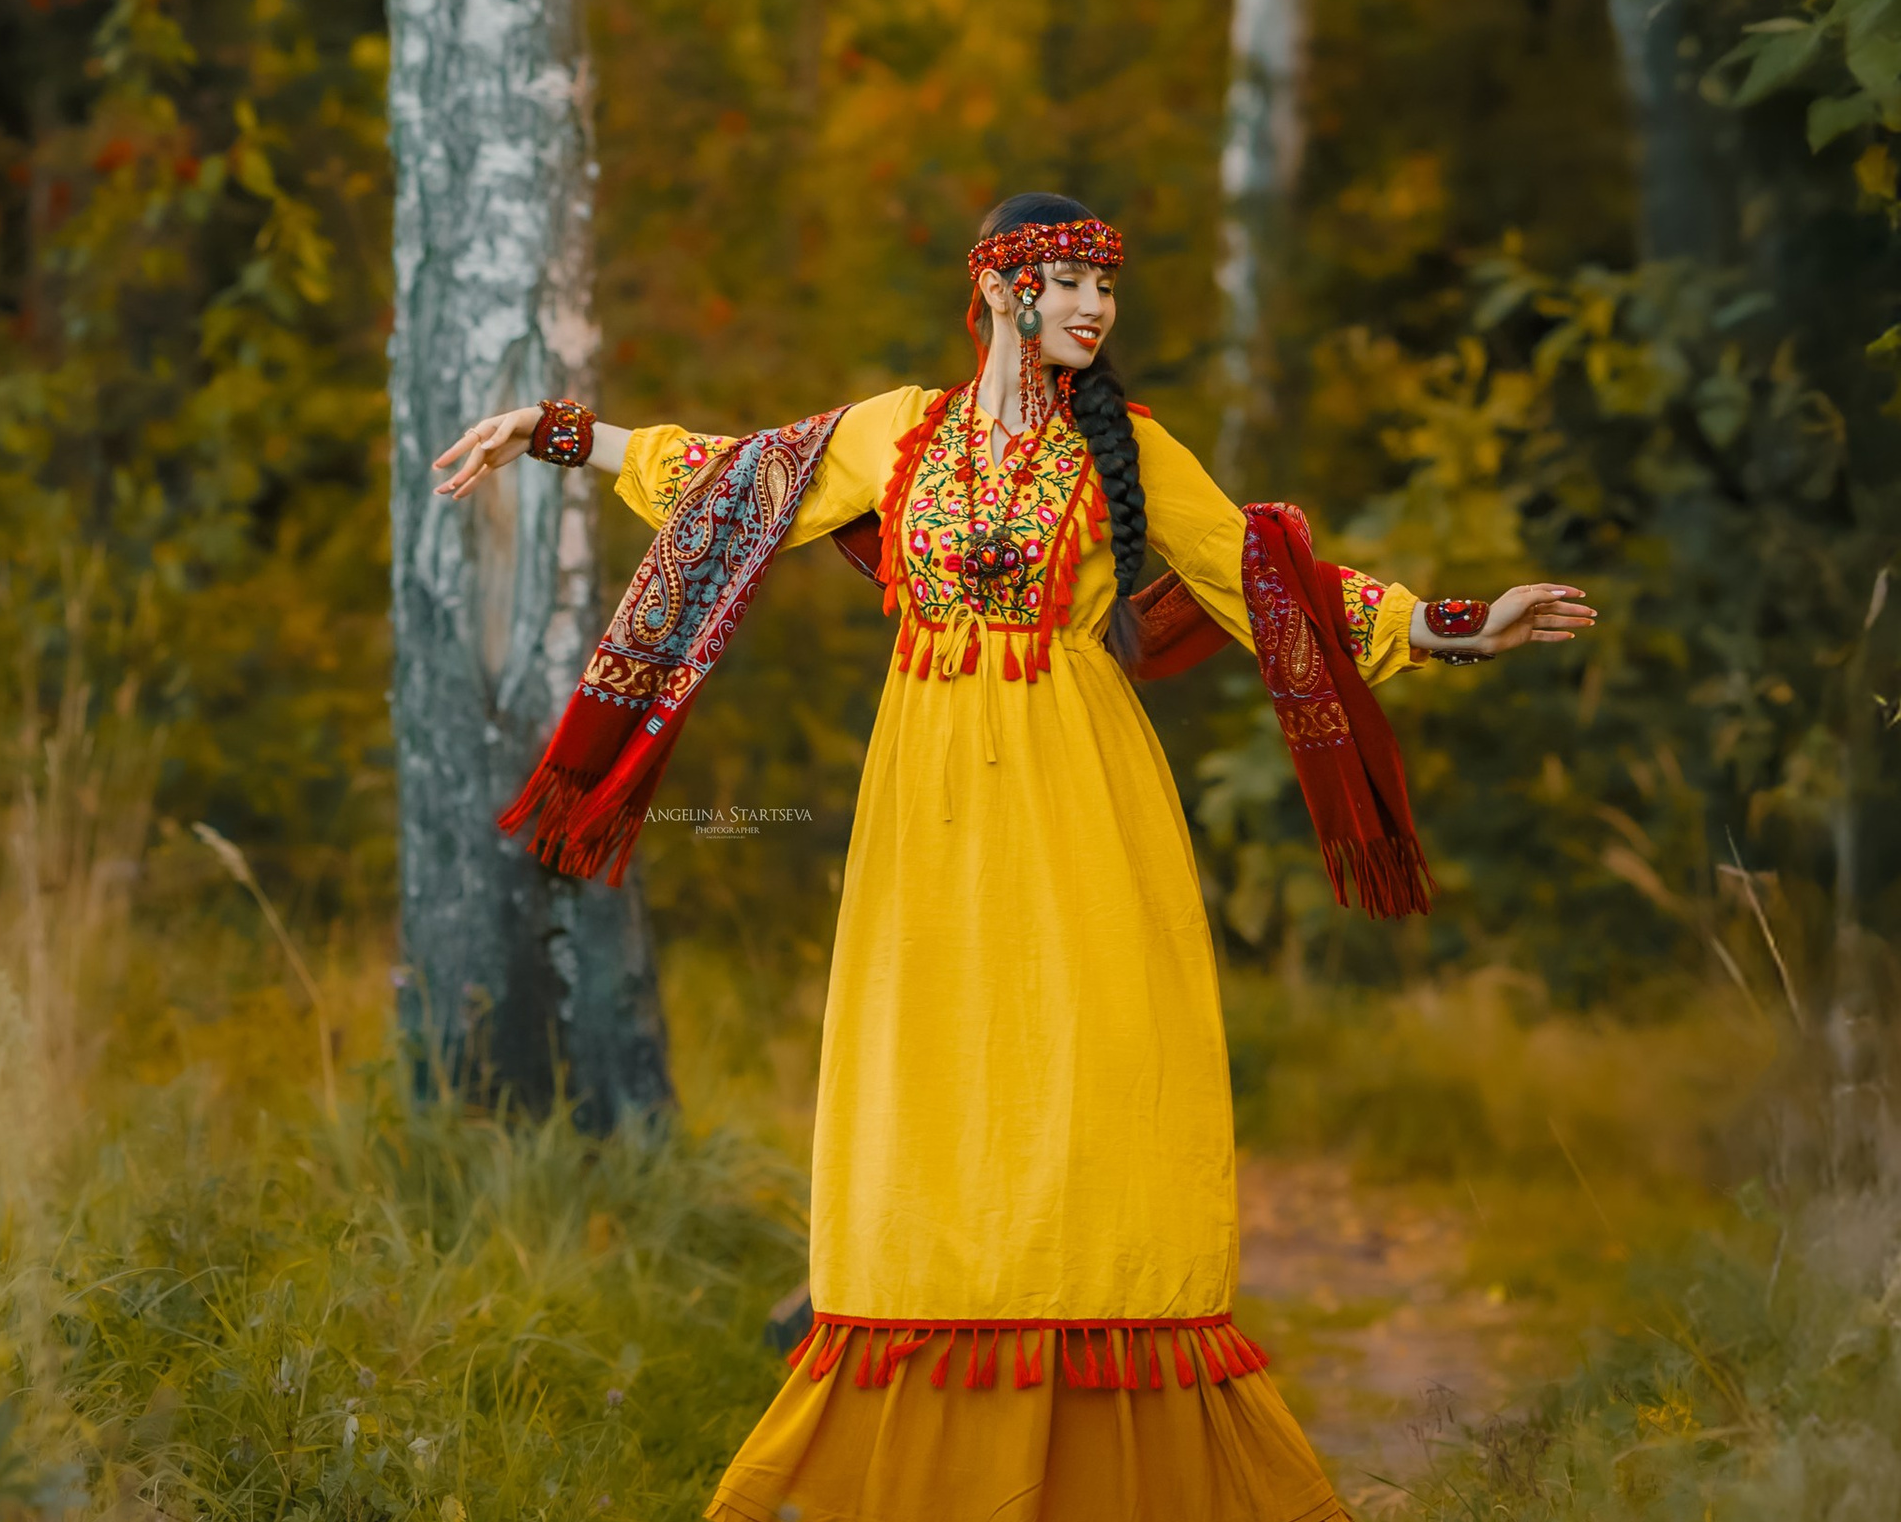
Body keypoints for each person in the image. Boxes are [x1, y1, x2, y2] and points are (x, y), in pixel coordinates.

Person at [432, 192, 1593, 1522]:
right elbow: (728, 477)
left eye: (1108, 286)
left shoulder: (1133, 451)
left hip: (1081, 792)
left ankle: (1107, 1438)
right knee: (937, 1076)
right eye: (1067, 280)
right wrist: (559, 434)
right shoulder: (898, 433)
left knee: (1089, 1076)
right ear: (997, 288)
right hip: (926, 806)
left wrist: (1457, 625)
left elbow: (1273, 583)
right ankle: (929, 1417)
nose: (1095, 306)